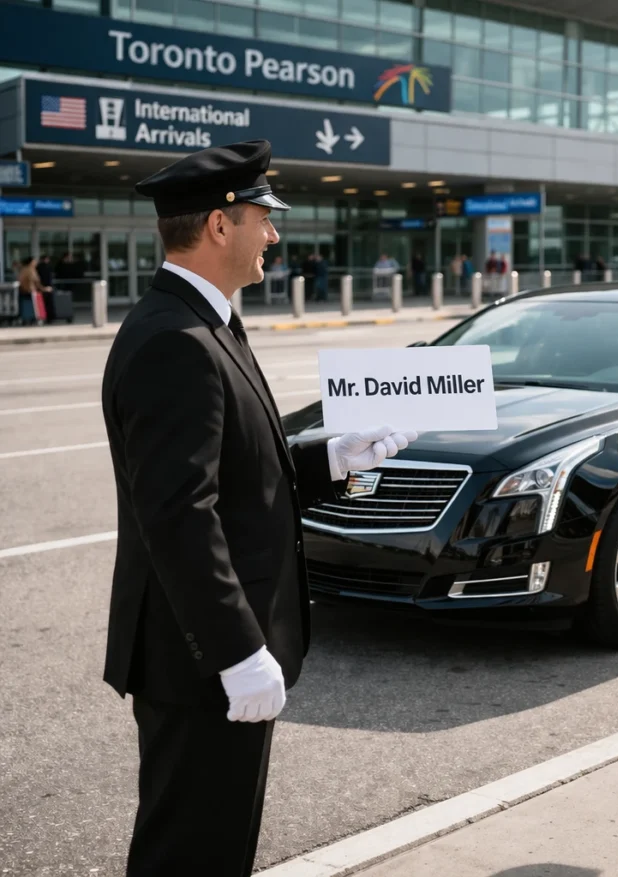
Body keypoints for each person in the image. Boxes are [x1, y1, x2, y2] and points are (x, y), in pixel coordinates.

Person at [100, 140, 417, 876]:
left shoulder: (202, 322)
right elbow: (181, 515)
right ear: (219, 225)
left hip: (207, 656)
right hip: (202, 662)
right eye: (262, 218)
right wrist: (239, 652)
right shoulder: (175, 339)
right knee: (191, 854)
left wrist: (334, 458)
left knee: (215, 847)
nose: (273, 234)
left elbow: (234, 473)